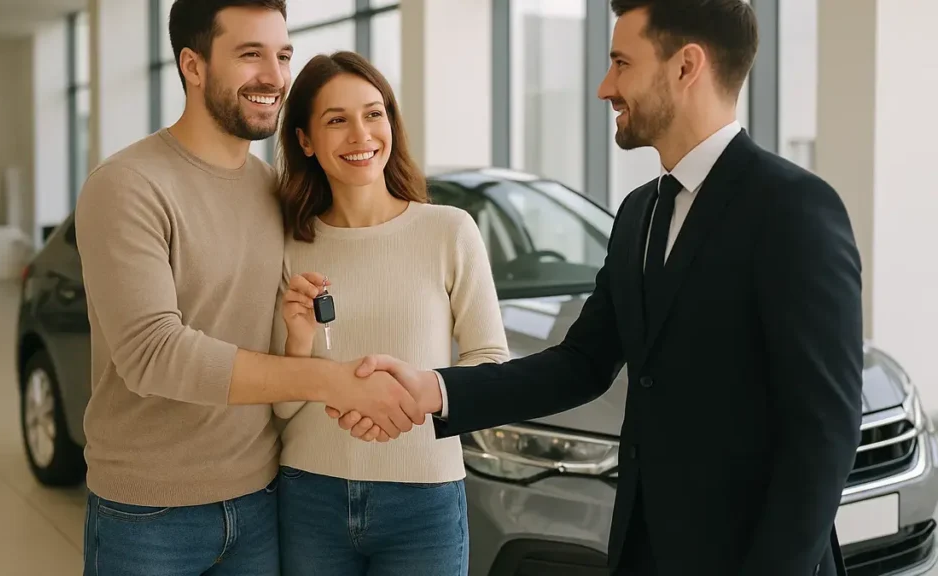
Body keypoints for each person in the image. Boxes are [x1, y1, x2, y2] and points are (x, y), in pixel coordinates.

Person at [335, 1, 864, 575]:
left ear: (686, 67)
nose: (604, 87)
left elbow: (824, 435)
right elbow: (581, 364)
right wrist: (436, 390)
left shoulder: (794, 208)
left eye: (621, 62)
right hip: (645, 551)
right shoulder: (639, 214)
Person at [74, 2, 424, 575]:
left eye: (283, 54)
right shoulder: (127, 185)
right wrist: (335, 381)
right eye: (250, 54)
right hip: (147, 514)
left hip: (260, 501)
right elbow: (153, 354)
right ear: (193, 64)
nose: (275, 76)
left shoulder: (272, 192)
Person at [269, 50, 509, 576]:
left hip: (424, 499)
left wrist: (412, 397)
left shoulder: (449, 230)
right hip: (310, 493)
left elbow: (490, 363)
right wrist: (299, 343)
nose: (361, 134)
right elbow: (280, 408)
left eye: (373, 114)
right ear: (305, 141)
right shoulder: (289, 246)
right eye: (337, 120)